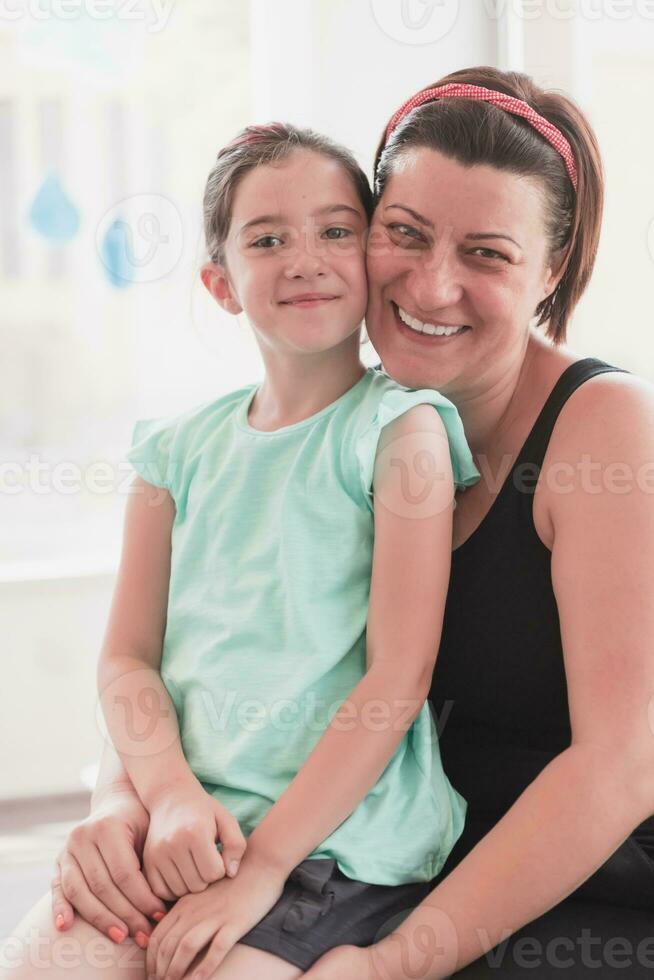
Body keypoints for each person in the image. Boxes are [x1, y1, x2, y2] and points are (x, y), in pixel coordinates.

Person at [0, 123, 480, 980]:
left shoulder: (400, 433)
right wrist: (164, 795)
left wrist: (260, 871)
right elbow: (127, 661)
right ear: (222, 284)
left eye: (336, 230)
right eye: (268, 239)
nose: (306, 258)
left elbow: (397, 679)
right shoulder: (174, 453)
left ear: (371, 256)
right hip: (187, 825)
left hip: (335, 846)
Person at [300, 67, 654, 978]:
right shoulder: (333, 414)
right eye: (405, 235)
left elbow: (620, 768)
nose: (432, 285)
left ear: (551, 272)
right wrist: (128, 805)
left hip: (598, 890)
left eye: (487, 255)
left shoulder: (609, 429)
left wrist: (392, 965)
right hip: (397, 866)